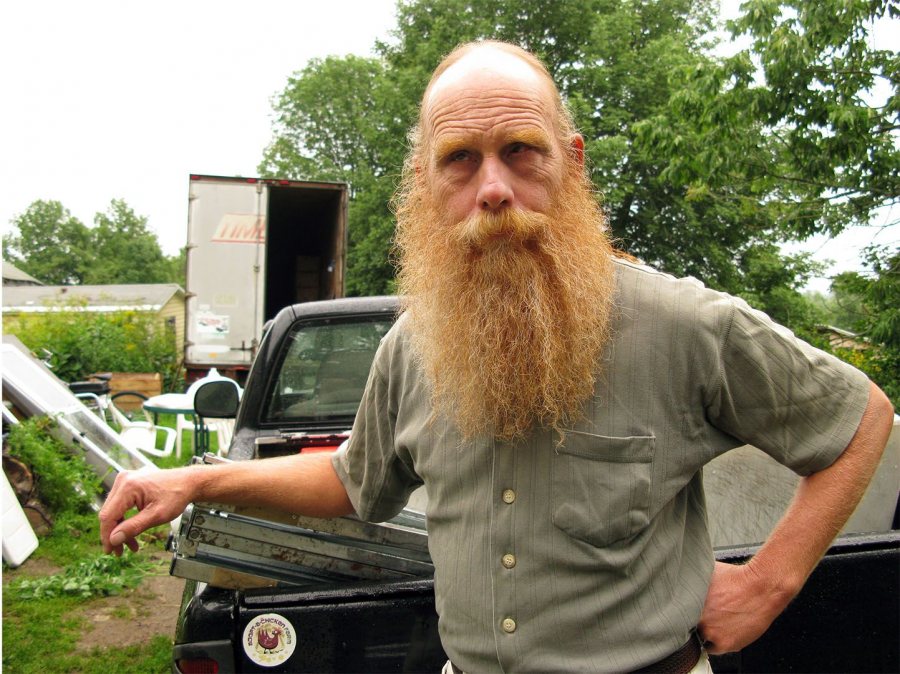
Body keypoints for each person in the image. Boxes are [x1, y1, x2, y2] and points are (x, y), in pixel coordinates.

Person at [100, 41, 894, 673]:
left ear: (571, 161)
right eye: (461, 160)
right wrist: (196, 480)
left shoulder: (682, 325)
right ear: (426, 182)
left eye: (521, 150)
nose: (493, 188)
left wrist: (767, 583)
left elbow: (860, 418)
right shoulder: (415, 345)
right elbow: (353, 479)